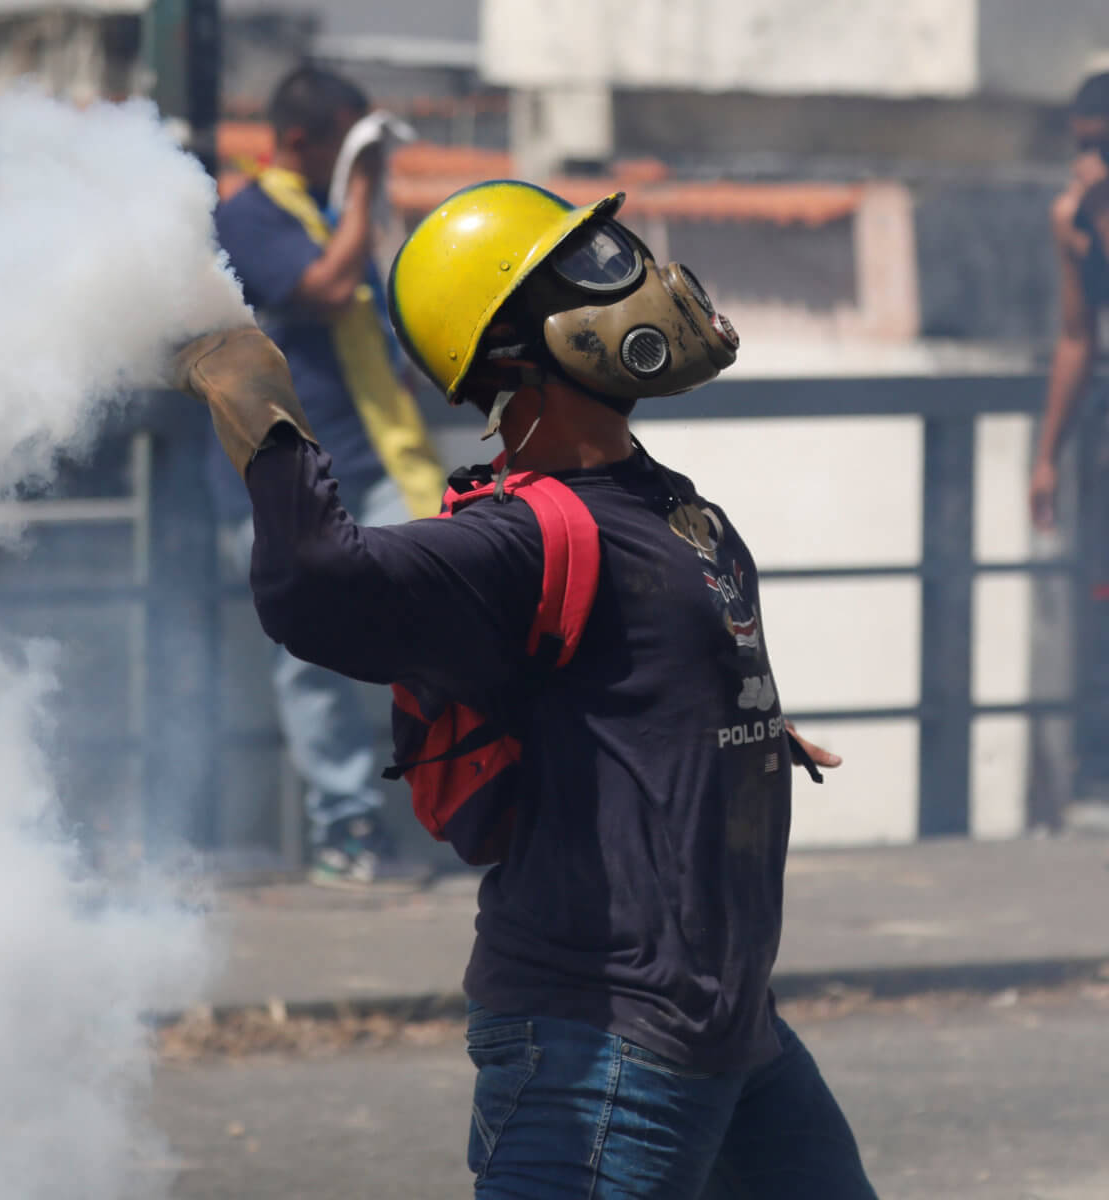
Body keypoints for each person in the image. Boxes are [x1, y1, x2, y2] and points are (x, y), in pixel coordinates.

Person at [176, 179, 877, 1198]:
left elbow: (637, 681)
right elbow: (319, 585)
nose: (637, 278)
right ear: (517, 344)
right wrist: (255, 393)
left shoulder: (681, 512)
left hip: (732, 1029)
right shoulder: (520, 535)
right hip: (603, 1049)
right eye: (592, 270)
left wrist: (739, 725)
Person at [210, 63, 446, 887]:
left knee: (439, 621)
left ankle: (452, 802)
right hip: (284, 473)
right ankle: (345, 827)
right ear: (304, 139)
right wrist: (365, 191)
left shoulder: (324, 214)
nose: (359, 160)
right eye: (350, 142)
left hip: (378, 459)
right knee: (312, 652)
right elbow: (328, 285)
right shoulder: (249, 215)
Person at [1029, 70, 1109, 529]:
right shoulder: (1072, 219)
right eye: (1084, 148)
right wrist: (1046, 459)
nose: (1094, 164)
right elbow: (1076, 337)